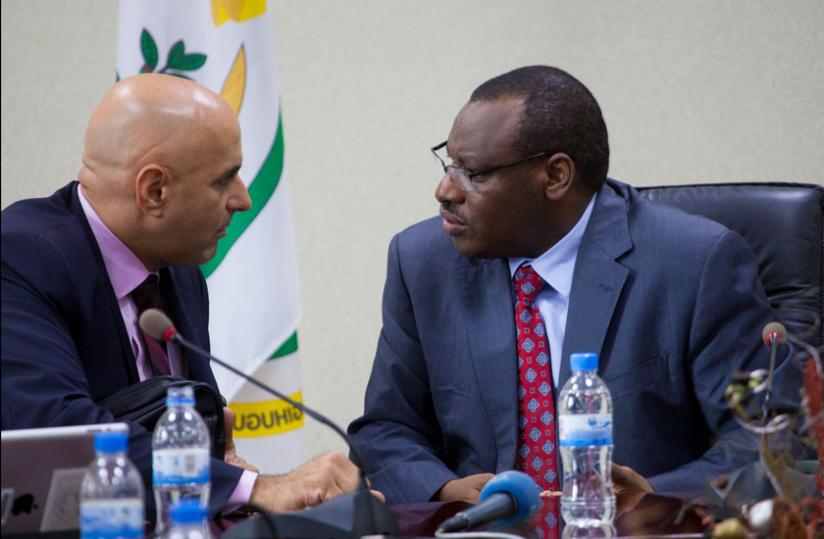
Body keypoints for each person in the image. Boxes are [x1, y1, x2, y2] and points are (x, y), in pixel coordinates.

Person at [348, 66, 793, 514]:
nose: (445, 190)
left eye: (474, 174)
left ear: (556, 176)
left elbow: (776, 441)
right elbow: (385, 430)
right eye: (450, 164)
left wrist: (659, 496)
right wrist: (443, 489)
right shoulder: (423, 262)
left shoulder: (695, 264)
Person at [1, 74, 362, 517]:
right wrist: (251, 487)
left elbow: (188, 439)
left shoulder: (180, 267)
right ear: (155, 191)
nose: (243, 199)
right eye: (223, 180)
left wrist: (226, 471)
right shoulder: (18, 260)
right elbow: (63, 439)